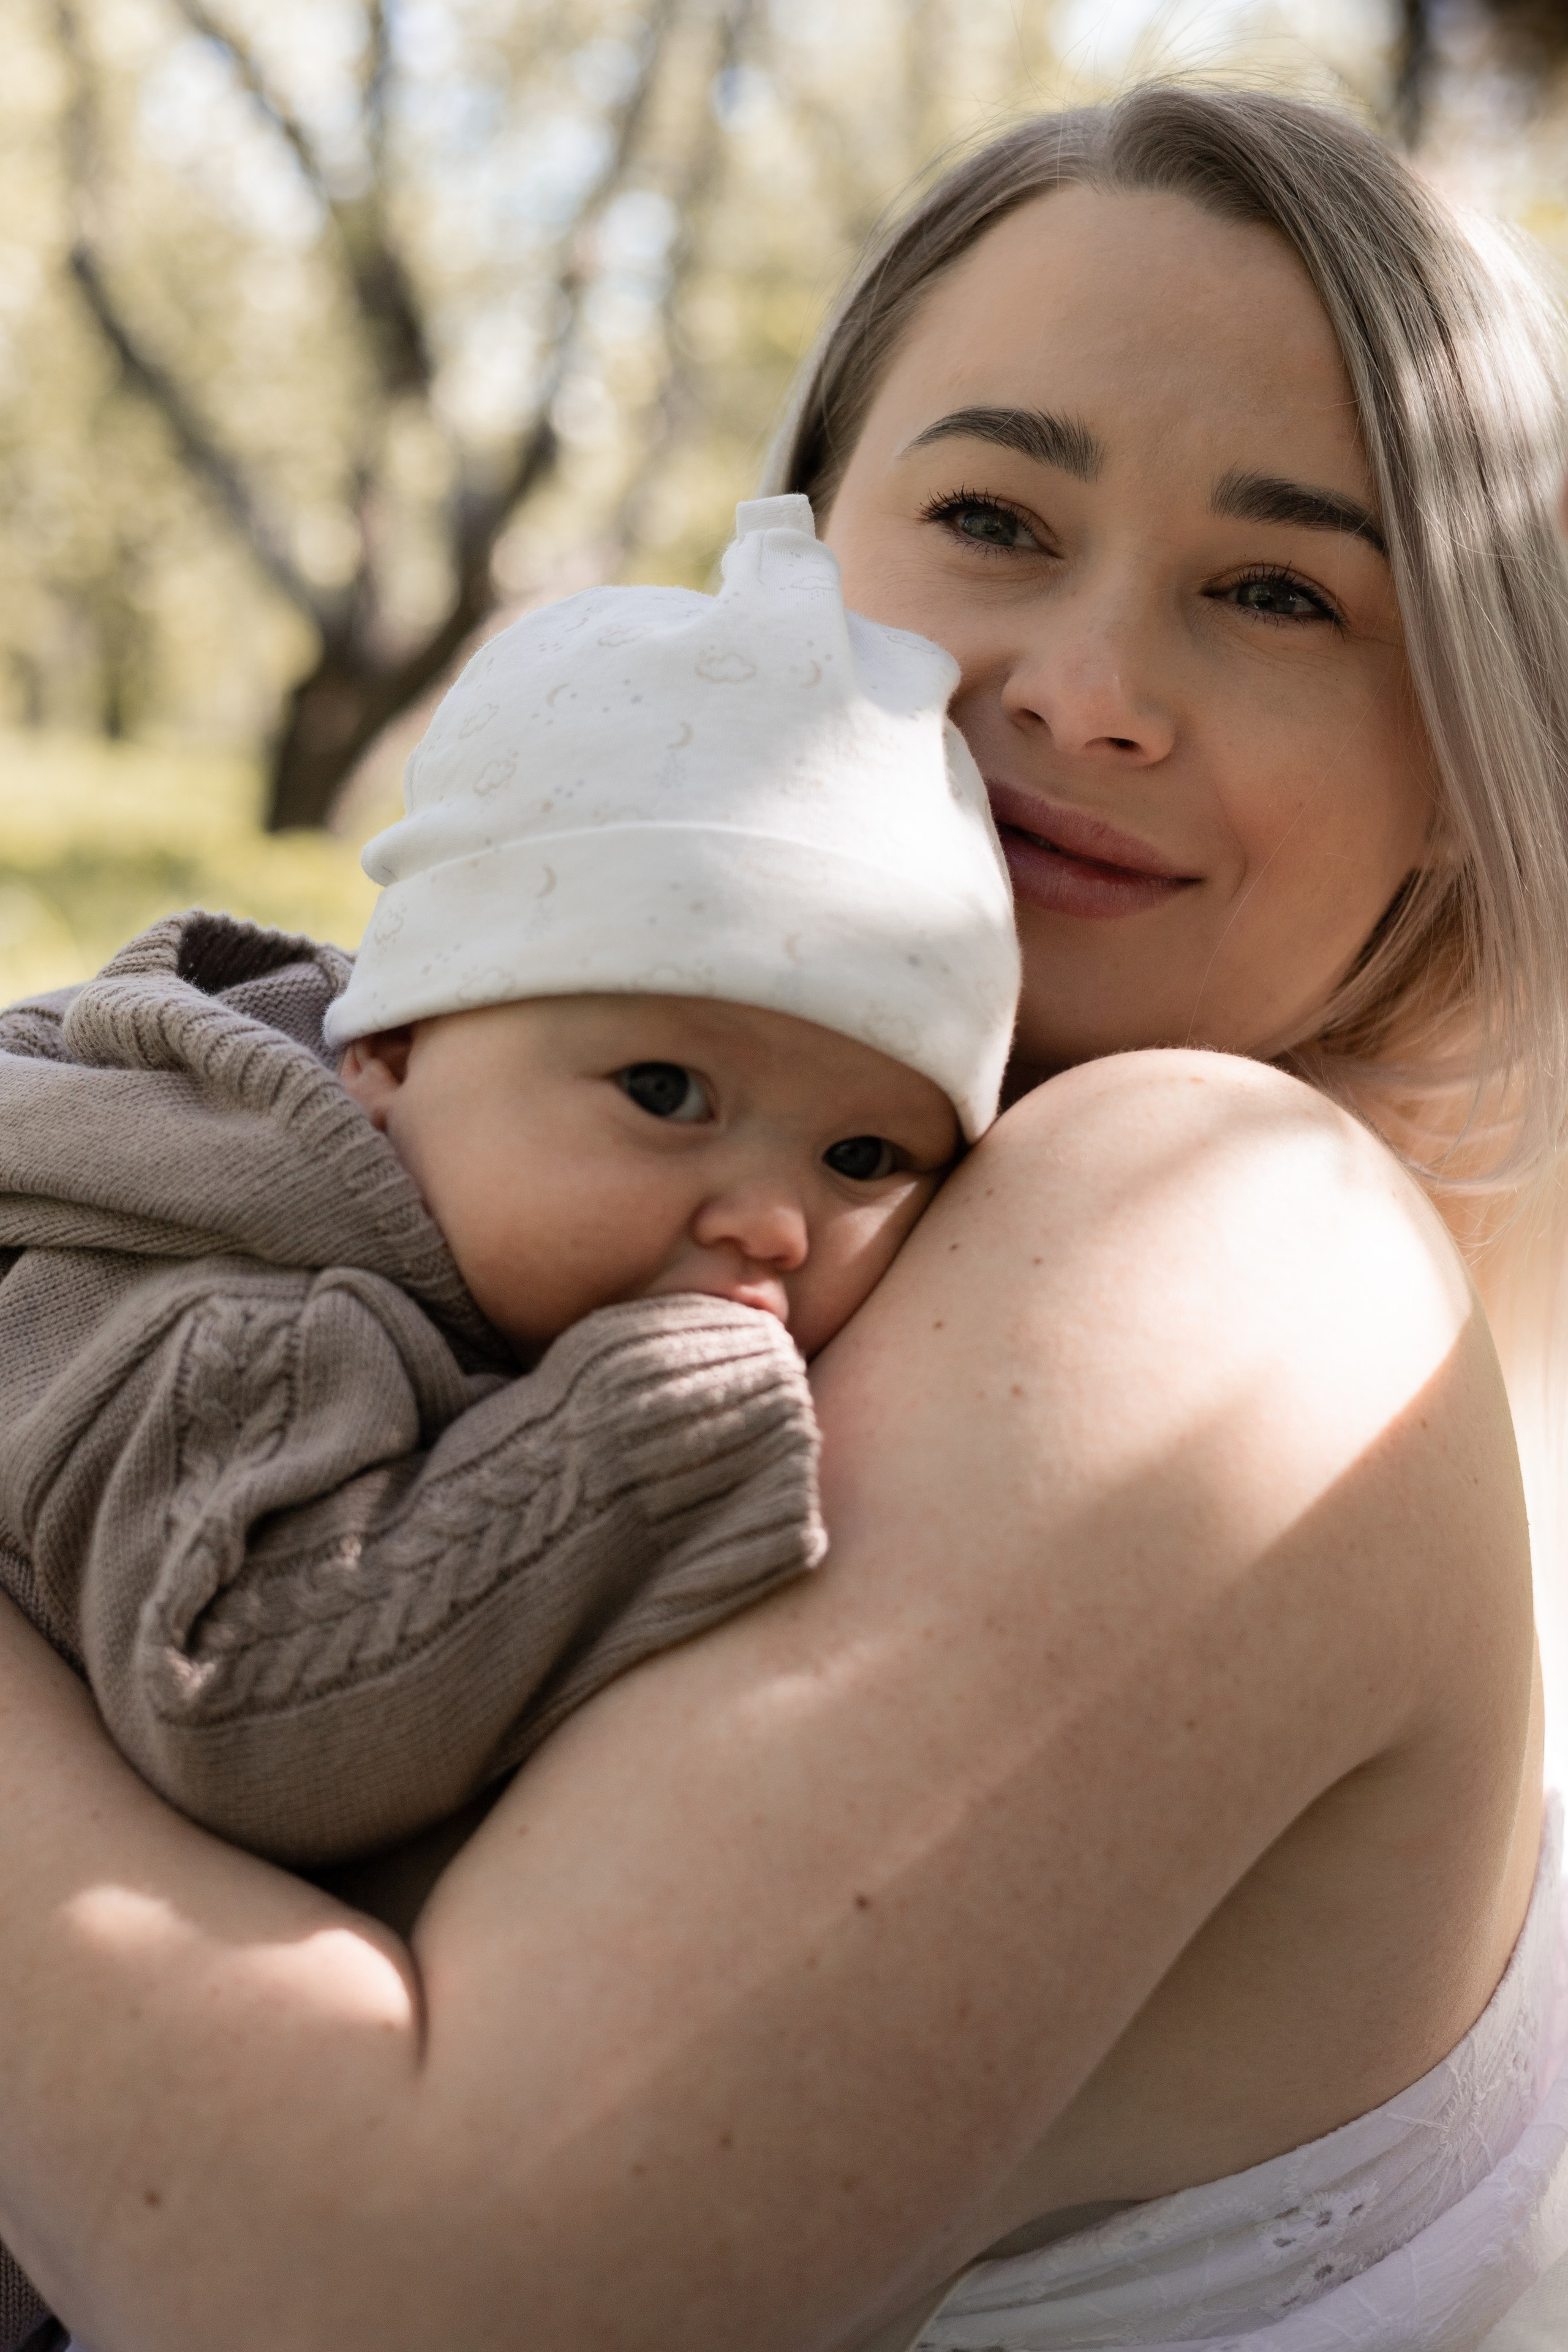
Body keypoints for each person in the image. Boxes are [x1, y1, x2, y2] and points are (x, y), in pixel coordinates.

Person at [0, 79, 1564, 2352]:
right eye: (996, 517)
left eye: (1277, 589)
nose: (1084, 691)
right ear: (799, 560)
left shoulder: (1230, 1232)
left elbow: (380, 2293)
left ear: (1456, 769)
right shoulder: (566, 1185)